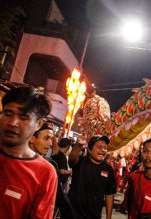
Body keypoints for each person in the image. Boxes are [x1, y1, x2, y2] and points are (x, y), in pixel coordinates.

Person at [0, 87, 57, 218]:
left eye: (23, 117)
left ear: (38, 124)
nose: (13, 123)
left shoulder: (45, 173)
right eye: (8, 114)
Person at [29, 122, 75, 219]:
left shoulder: (50, 166)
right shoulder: (11, 161)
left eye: (51, 139)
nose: (50, 143)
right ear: (32, 138)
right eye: (46, 138)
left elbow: (61, 199)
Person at [68, 135, 116, 219]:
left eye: (105, 148)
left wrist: (109, 217)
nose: (103, 150)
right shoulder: (80, 162)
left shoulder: (109, 170)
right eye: (99, 147)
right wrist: (79, 144)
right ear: (89, 150)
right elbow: (72, 159)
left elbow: (109, 195)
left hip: (94, 215)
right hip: (72, 213)